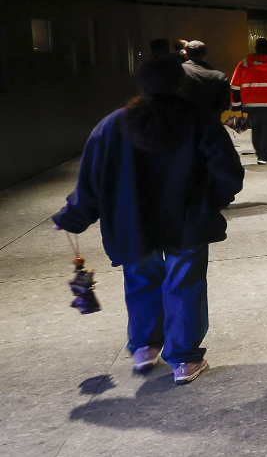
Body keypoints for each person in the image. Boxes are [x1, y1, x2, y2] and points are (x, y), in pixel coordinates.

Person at [52, 58, 243, 385]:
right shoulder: (198, 120)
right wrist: (214, 201)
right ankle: (184, 360)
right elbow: (228, 173)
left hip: (132, 223)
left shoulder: (113, 124)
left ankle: (145, 347)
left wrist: (74, 215)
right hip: (187, 222)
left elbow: (93, 179)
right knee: (184, 285)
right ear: (180, 84)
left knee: (140, 281)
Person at [181, 40, 231, 121]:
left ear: (185, 54)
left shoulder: (178, 72)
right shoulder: (219, 76)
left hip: (184, 123)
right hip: (210, 125)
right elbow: (225, 104)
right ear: (205, 55)